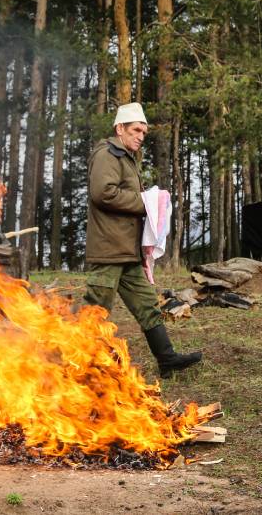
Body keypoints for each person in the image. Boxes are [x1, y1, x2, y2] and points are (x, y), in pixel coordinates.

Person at [84, 102, 202, 378]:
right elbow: (103, 193)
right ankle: (79, 370)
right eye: (136, 130)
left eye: (144, 132)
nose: (140, 135)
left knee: (148, 305)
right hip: (108, 250)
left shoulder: (125, 157)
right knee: (95, 312)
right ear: (120, 128)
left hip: (126, 252)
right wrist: (144, 202)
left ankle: (167, 359)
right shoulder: (107, 155)